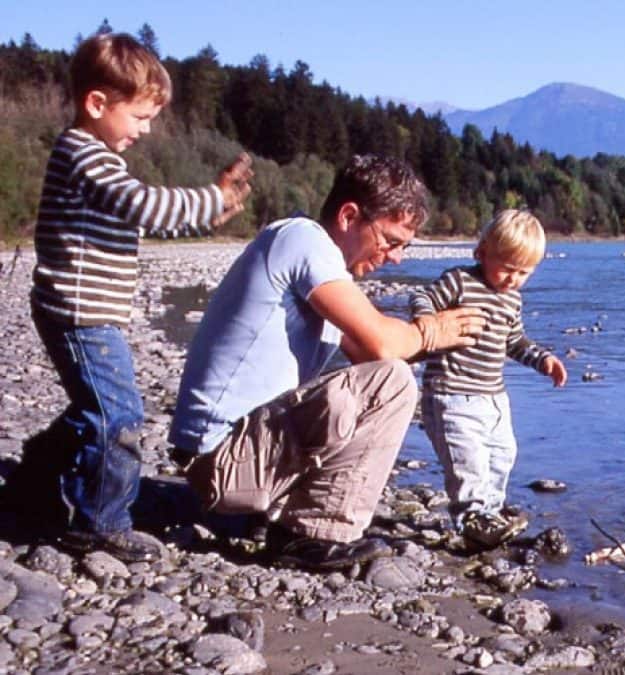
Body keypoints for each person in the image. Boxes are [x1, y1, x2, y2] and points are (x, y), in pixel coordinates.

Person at [168, 154, 485, 572]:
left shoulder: (320, 265)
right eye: (391, 241)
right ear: (350, 216)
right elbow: (384, 347)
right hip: (222, 464)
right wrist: (431, 331)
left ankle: (293, 520)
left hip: (222, 460)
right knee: (394, 381)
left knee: (378, 379)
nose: (395, 258)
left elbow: (368, 351)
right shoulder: (303, 241)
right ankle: (314, 534)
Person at [8, 32, 252, 562]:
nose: (146, 130)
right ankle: (101, 523)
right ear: (98, 103)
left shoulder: (93, 157)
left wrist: (206, 214)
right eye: (141, 117)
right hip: (79, 314)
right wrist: (211, 197)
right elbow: (138, 204)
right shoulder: (83, 154)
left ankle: (35, 475)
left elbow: (136, 218)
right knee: (120, 418)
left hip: (86, 312)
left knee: (95, 407)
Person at [410, 209, 568, 549]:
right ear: (481, 253)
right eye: (507, 268)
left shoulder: (512, 299)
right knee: (468, 461)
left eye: (523, 272)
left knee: (502, 455)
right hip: (451, 393)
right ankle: (470, 518)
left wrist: (544, 360)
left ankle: (491, 513)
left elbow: (515, 342)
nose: (513, 279)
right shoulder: (460, 281)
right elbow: (421, 297)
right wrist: (428, 320)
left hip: (494, 398)